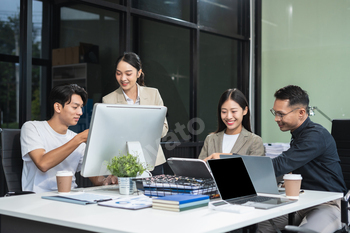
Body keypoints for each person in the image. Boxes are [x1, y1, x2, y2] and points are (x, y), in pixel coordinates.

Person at [21, 84, 116, 193]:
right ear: (58, 107)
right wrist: (79, 138)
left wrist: (106, 180)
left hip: (70, 197)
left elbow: (95, 177)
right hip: (37, 198)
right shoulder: (32, 128)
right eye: (75, 107)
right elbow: (43, 164)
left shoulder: (76, 139)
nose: (80, 112)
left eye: (81, 107)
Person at [102, 52, 168, 175]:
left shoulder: (153, 94)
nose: (123, 78)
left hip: (154, 161)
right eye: (118, 73)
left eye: (128, 73)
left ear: (139, 73)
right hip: (124, 163)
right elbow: (109, 137)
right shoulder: (108, 100)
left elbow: (164, 130)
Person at [199, 88, 265, 160]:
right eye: (224, 112)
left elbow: (255, 169)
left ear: (245, 111)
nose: (229, 116)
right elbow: (199, 168)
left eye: (233, 111)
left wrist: (222, 157)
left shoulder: (254, 141)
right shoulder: (210, 139)